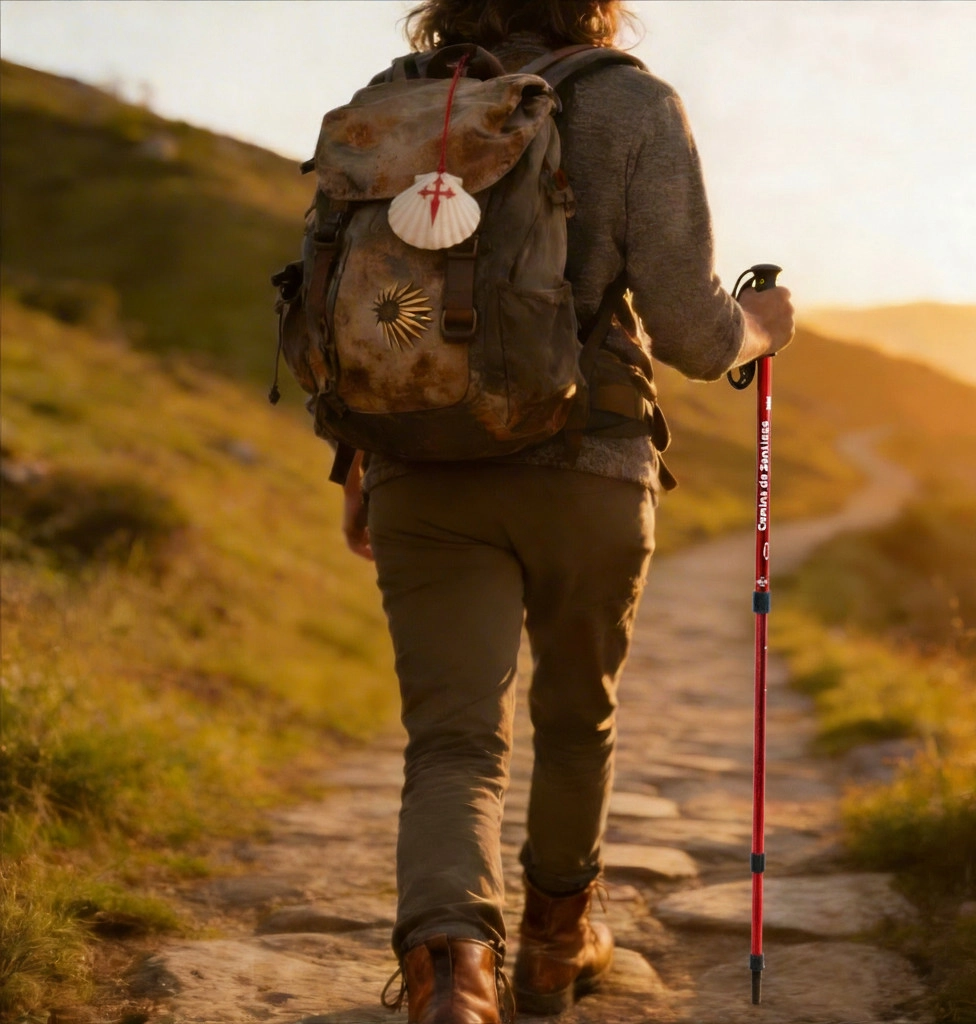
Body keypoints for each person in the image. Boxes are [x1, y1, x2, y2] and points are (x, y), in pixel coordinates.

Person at [340, 2, 795, 1021]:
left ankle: (451, 978)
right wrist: (762, 327)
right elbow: (690, 329)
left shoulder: (392, 107)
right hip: (589, 463)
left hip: (419, 462)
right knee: (575, 711)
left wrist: (360, 459)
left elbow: (361, 303)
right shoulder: (631, 103)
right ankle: (554, 939)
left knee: (453, 740)